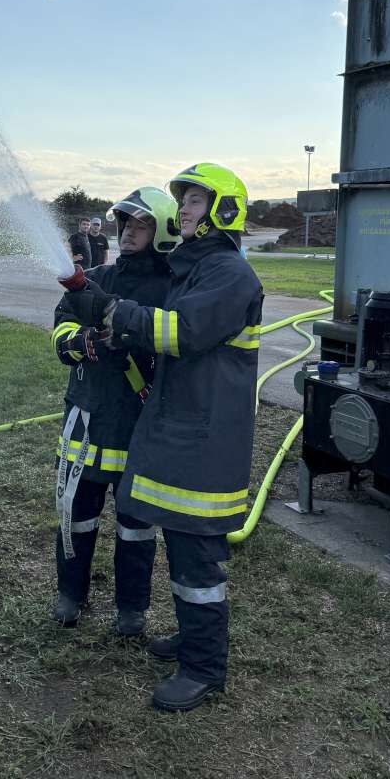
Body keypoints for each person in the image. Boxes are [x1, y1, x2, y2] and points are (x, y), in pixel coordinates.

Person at [63, 163, 262, 711]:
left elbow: (180, 331)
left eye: (196, 201)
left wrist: (113, 311)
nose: (186, 211)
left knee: (197, 552)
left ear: (224, 211)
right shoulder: (196, 268)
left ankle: (204, 667)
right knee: (177, 537)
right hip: (184, 426)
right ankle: (192, 640)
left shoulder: (229, 273)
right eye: (186, 201)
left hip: (207, 434)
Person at [51, 187, 180, 635]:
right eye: (125, 224)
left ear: (163, 230)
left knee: (136, 527)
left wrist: (134, 338)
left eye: (140, 224)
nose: (128, 232)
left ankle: (132, 608)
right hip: (85, 417)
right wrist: (75, 342)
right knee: (76, 514)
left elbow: (176, 344)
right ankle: (71, 592)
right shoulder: (97, 276)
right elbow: (61, 322)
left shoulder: (174, 288)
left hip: (138, 426)